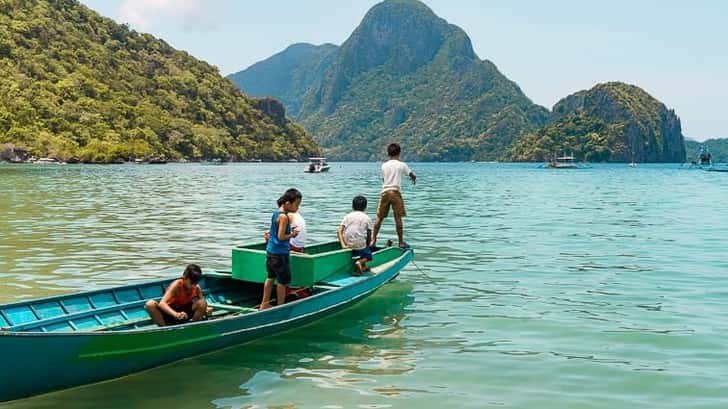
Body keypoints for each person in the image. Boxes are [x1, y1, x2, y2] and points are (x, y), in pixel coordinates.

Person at [260, 188, 302, 310]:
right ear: (288, 203)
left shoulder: (275, 213)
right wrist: (293, 235)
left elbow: (274, 233)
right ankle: (280, 306)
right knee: (282, 281)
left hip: (271, 251)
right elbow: (281, 236)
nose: (297, 208)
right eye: (297, 205)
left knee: (270, 277)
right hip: (280, 254)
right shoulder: (284, 217)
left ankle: (264, 303)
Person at [371, 143, 416, 248]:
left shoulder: (384, 165)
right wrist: (413, 178)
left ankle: (373, 240)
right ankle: (400, 242)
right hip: (395, 192)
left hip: (385, 192)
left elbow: (383, 180)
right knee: (398, 218)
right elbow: (411, 174)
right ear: (399, 153)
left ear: (388, 153)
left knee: (379, 217)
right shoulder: (402, 165)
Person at [145, 264, 210, 326]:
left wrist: (206, 309)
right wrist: (176, 314)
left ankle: (194, 325)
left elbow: (202, 302)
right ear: (185, 277)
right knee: (150, 304)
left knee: (202, 303)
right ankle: (164, 329)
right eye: (191, 283)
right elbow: (162, 303)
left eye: (196, 283)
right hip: (170, 312)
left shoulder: (196, 287)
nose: (193, 286)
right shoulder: (177, 285)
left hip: (185, 312)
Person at [338, 195, 373, 275]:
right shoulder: (367, 218)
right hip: (359, 245)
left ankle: (362, 267)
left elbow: (339, 231)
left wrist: (343, 245)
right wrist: (368, 245)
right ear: (365, 207)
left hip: (347, 244)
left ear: (352, 206)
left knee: (360, 247)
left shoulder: (347, 216)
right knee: (368, 255)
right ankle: (360, 262)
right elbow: (369, 234)